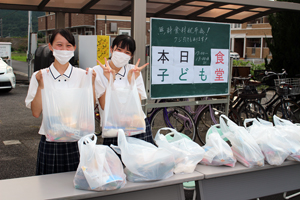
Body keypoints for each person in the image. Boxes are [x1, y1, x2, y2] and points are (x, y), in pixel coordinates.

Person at [25, 29, 96, 175]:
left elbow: (90, 107)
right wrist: (41, 86)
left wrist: (92, 83)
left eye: (68, 45)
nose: (64, 49)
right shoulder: (39, 76)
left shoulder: (83, 75)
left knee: (79, 186)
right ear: (50, 46)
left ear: (74, 49)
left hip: (77, 139)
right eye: (59, 45)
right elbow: (36, 112)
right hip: (51, 140)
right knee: (48, 187)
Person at [93, 34, 155, 146]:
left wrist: (132, 81)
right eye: (119, 50)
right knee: (115, 162)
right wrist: (110, 80)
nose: (122, 54)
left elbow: (137, 103)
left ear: (131, 56)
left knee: (140, 161)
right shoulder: (98, 71)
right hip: (113, 128)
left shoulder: (134, 70)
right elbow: (103, 105)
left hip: (136, 125)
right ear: (112, 49)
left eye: (127, 53)